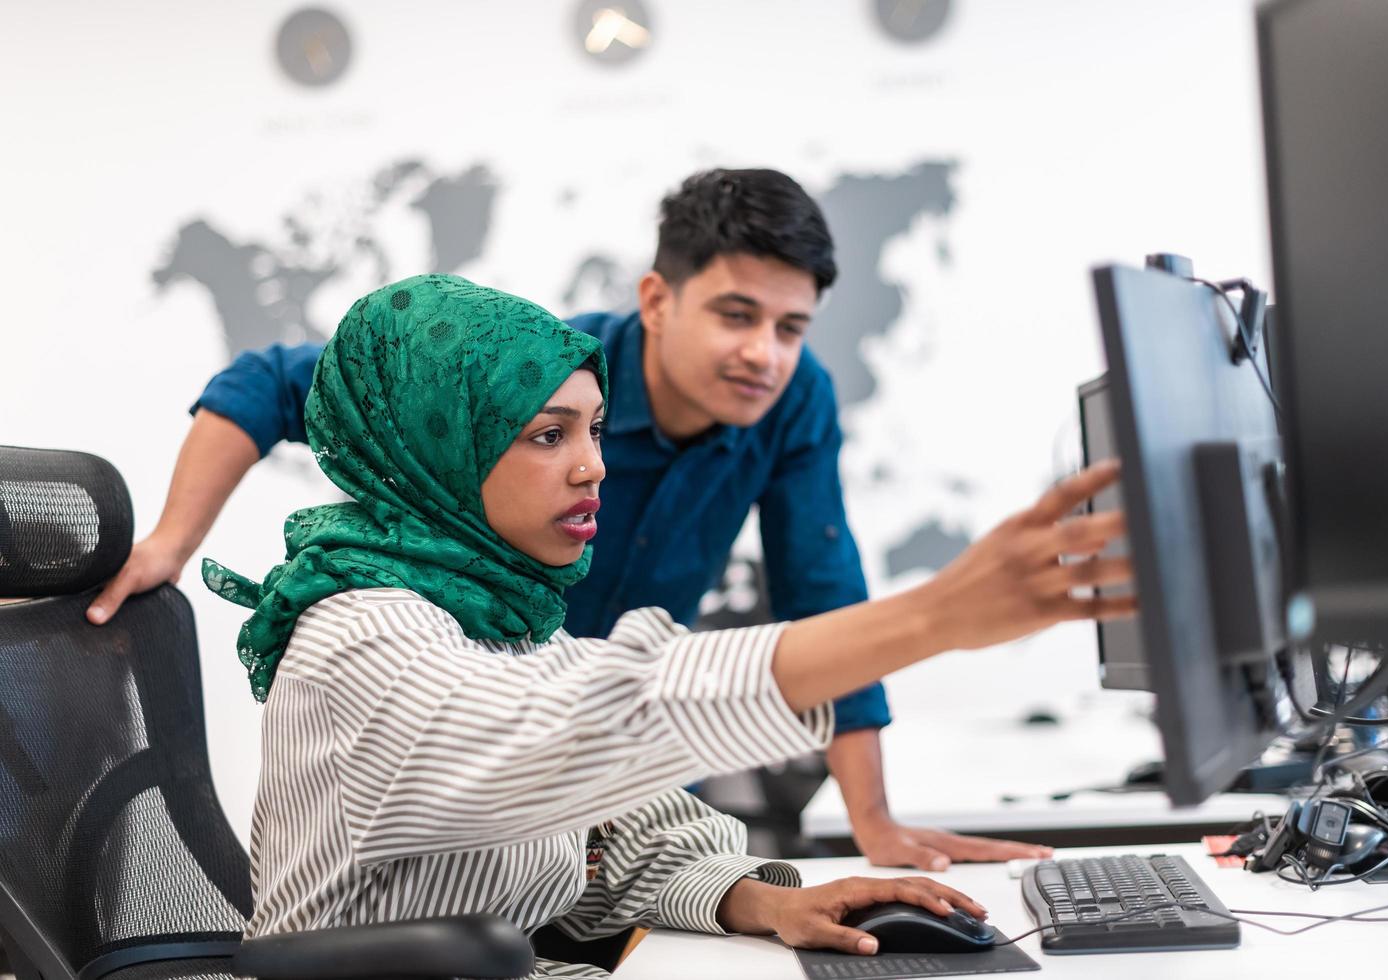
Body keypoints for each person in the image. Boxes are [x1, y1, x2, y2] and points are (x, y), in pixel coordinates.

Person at [92, 169, 1044, 869]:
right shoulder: (528, 382)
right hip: (481, 729)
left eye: (792, 329)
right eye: (737, 316)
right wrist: (172, 545)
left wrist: (873, 828)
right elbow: (268, 382)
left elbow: (820, 587)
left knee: (689, 887)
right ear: (657, 300)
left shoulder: (792, 404)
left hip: (618, 730)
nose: (765, 355)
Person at [211, 275, 1130, 976]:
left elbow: (614, 829)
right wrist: (928, 618)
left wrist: (760, 899)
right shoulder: (360, 634)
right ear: (438, 448)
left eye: (596, 431)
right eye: (546, 435)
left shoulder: (501, 615)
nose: (592, 468)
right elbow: (567, 739)